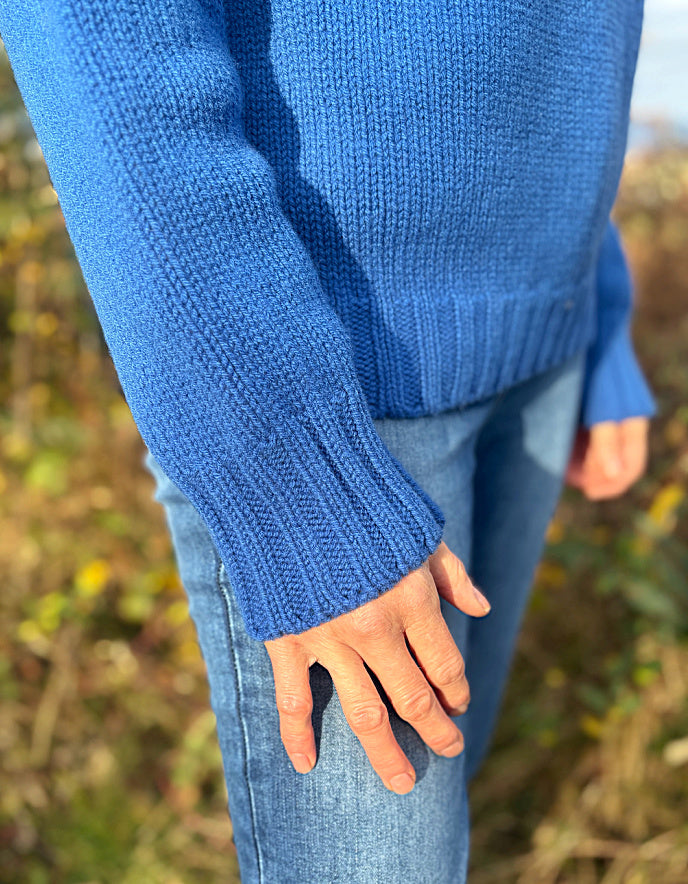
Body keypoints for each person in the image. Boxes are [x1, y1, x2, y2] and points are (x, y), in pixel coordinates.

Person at [1, 1, 656, 881]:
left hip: (546, 337)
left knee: (451, 801)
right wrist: (302, 489)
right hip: (333, 392)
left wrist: (599, 307)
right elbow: (96, 36)